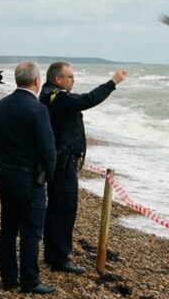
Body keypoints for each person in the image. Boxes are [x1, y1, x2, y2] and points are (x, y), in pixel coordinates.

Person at [40, 62, 127, 273]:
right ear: (58, 79)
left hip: (60, 160)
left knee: (56, 208)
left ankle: (53, 254)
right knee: (64, 208)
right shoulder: (57, 97)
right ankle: (59, 258)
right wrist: (112, 82)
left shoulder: (51, 94)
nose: (73, 80)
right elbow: (88, 100)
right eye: (70, 77)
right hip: (62, 163)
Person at [0, 62, 57, 294]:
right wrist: (49, 176)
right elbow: (48, 149)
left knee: (8, 226)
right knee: (31, 229)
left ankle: (8, 278)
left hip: (7, 174)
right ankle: (29, 280)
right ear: (37, 81)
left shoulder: (0, 106)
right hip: (29, 178)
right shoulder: (38, 110)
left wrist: (1, 165)